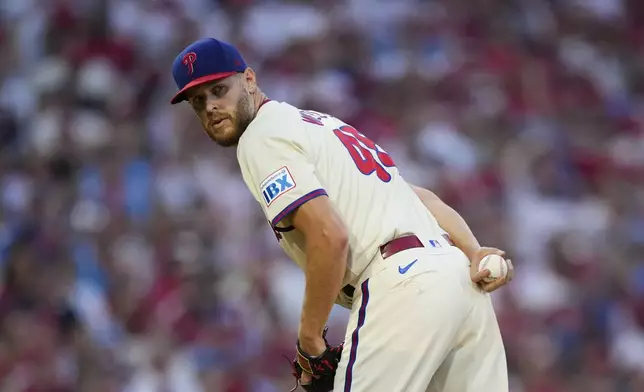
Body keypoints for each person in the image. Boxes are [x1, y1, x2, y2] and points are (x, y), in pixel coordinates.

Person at [170, 38, 514, 392]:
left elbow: (330, 237)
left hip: (404, 285)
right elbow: (419, 197)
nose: (211, 106)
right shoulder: (321, 124)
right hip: (459, 281)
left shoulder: (261, 136)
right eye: (199, 101)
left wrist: (309, 341)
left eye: (219, 90)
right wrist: (473, 251)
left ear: (249, 80)